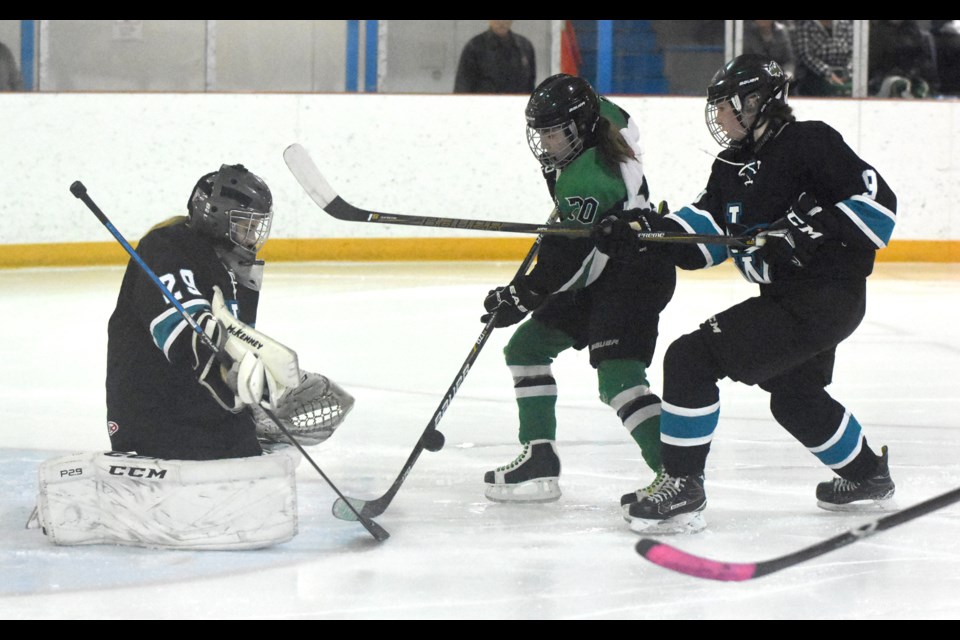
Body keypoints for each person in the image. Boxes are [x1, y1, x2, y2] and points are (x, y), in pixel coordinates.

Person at [604, 54, 897, 534]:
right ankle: (866, 475)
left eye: (725, 106)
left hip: (826, 297)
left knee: (690, 359)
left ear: (757, 101)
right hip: (789, 300)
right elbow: (704, 233)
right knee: (793, 395)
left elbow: (878, 209)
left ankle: (682, 485)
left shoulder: (810, 142)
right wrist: (647, 233)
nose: (717, 117)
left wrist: (810, 228)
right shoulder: (730, 165)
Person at [480, 74, 677, 510]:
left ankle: (676, 475)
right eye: (542, 132)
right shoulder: (603, 118)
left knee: (618, 379)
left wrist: (521, 295)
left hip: (634, 273)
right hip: (604, 265)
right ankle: (540, 458)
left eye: (555, 132)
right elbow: (621, 118)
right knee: (526, 348)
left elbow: (565, 262)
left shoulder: (588, 179)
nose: (546, 143)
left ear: (580, 125)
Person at [454, 20, 536, 94]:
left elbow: (530, 84)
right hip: (483, 106)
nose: (501, 22)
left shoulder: (524, 47)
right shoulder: (475, 47)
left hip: (518, 106)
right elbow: (463, 86)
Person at [868, 20, 939, 98]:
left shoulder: (918, 35)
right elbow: (872, 65)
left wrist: (913, 74)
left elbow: (925, 65)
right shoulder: (876, 33)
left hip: (911, 82)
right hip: (881, 84)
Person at [792, 20, 853, 96]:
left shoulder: (845, 24)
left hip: (845, 73)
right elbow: (806, 54)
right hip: (814, 75)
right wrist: (828, 73)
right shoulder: (804, 25)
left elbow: (854, 52)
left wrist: (848, 72)